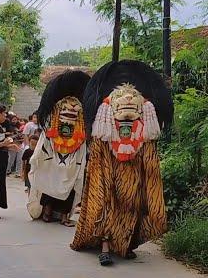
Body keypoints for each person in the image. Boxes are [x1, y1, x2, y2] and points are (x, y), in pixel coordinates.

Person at [71, 60, 173, 266]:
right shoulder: (104, 130)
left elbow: (150, 156)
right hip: (109, 176)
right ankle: (105, 247)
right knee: (106, 206)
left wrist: (149, 176)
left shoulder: (143, 129)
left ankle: (124, 244)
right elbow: (97, 157)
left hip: (132, 177)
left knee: (130, 208)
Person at [27, 70, 90, 227]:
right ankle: (61, 216)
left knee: (54, 179)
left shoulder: (57, 108)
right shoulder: (75, 109)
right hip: (64, 152)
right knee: (64, 181)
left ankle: (50, 213)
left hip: (62, 151)